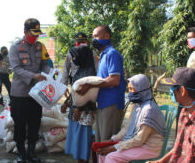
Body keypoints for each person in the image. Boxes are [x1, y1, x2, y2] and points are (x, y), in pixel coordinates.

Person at [77, 25, 126, 153]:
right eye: (93, 36)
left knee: (107, 143)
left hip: (112, 104)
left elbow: (114, 80)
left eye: (96, 36)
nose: (94, 39)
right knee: (100, 142)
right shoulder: (103, 55)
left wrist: (91, 85)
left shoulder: (112, 54)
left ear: (107, 36)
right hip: (103, 103)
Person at [97, 74, 166, 162]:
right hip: (138, 144)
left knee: (112, 157)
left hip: (149, 148)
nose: (130, 92)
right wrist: (112, 140)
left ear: (142, 89)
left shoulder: (149, 109)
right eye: (129, 89)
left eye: (132, 89)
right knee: (104, 153)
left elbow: (139, 139)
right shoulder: (137, 105)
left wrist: (115, 147)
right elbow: (127, 128)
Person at [9, 18, 50, 163]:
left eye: (37, 34)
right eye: (33, 34)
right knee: (19, 125)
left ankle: (31, 152)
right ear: (25, 32)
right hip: (19, 93)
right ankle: (21, 153)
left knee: (34, 123)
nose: (35, 37)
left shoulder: (40, 46)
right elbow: (16, 69)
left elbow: (45, 63)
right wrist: (34, 76)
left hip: (36, 94)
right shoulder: (15, 47)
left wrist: (48, 74)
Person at [61, 33, 98, 163]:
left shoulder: (91, 56)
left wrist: (78, 107)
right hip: (76, 98)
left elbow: (89, 89)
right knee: (77, 132)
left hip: (86, 105)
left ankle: (83, 159)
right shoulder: (72, 54)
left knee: (83, 134)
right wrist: (66, 99)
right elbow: (66, 73)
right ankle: (80, 159)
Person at [147, 67, 195, 163]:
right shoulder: (184, 112)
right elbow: (179, 146)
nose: (171, 91)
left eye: (173, 87)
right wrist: (159, 161)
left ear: (182, 91)